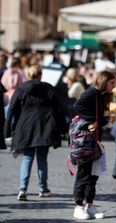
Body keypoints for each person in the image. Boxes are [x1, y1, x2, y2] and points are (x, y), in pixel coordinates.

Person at [5, 65, 67, 201]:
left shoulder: (21, 89)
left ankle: (23, 189)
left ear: (28, 75)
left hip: (25, 127)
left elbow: (11, 110)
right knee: (42, 159)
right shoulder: (48, 88)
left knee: (27, 158)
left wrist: (7, 131)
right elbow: (59, 108)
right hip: (45, 126)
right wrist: (64, 129)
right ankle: (43, 188)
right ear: (40, 75)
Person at [72, 70, 116, 220]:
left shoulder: (102, 96)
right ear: (104, 81)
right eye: (112, 83)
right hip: (85, 141)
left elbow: (98, 117)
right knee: (84, 174)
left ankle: (89, 205)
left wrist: (106, 119)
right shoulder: (92, 93)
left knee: (93, 175)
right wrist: (92, 120)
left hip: (95, 140)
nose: (114, 86)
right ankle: (78, 206)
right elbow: (78, 107)